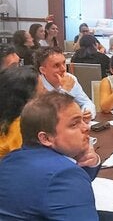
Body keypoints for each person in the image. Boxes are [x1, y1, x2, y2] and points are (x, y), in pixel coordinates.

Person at [0, 91, 101, 220]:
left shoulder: (9, 160)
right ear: (46, 138)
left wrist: (91, 162)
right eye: (74, 124)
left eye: (83, 120)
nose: (86, 127)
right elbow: (61, 180)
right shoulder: (63, 175)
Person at [34, 46, 96, 121]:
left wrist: (88, 112)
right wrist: (65, 90)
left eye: (64, 63)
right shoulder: (36, 84)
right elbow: (52, 115)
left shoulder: (70, 78)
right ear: (43, 70)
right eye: (56, 65)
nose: (63, 69)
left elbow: (86, 102)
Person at [0, 66, 44, 158]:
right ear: (29, 97)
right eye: (43, 89)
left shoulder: (6, 116)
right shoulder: (20, 126)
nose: (46, 92)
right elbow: (26, 161)